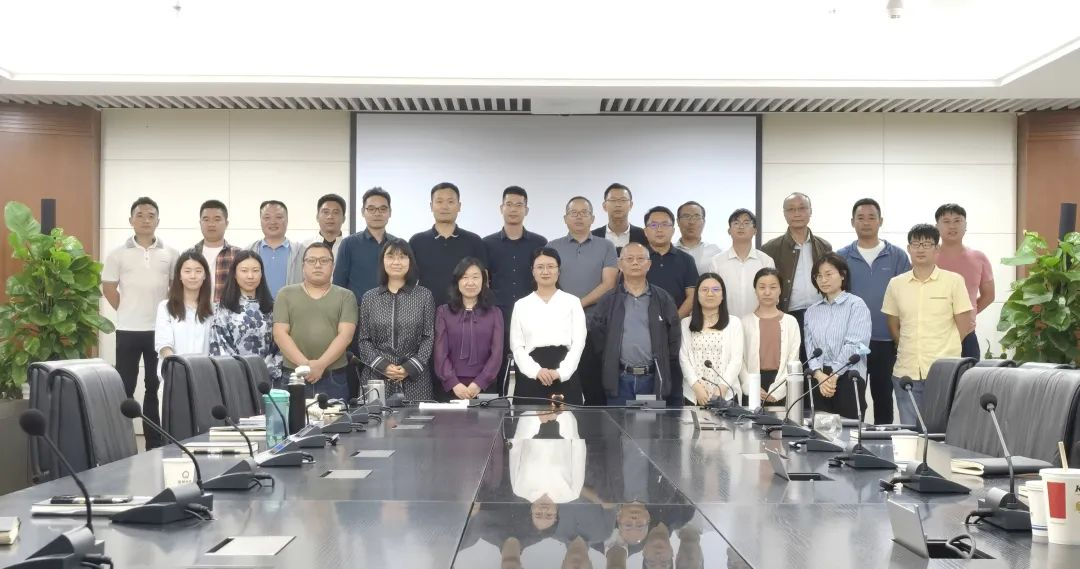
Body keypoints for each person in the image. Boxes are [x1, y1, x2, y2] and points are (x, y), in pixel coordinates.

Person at [102, 196, 178, 450]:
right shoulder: (117, 254)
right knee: (124, 385)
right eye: (140, 215)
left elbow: (174, 288)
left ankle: (154, 444)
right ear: (131, 220)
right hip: (128, 330)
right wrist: (126, 310)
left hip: (159, 331)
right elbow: (109, 288)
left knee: (154, 387)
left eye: (151, 216)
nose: (146, 220)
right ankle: (122, 444)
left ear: (158, 220)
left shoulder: (171, 253)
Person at [883, 224, 973, 426]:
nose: (920, 249)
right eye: (915, 244)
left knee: (941, 431)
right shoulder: (896, 284)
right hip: (906, 371)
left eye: (926, 244)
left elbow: (964, 324)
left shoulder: (953, 281)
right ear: (908, 249)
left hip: (943, 371)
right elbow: (893, 323)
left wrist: (946, 346)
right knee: (910, 433)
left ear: (937, 248)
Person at [836, 198, 911, 424]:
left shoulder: (897, 256)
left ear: (881, 221)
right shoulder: (841, 256)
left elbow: (906, 298)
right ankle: (849, 442)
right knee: (851, 398)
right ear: (852, 222)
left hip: (886, 341)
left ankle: (884, 442)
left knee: (883, 398)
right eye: (860, 218)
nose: (866, 222)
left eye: (872, 217)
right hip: (851, 341)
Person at [587, 243, 681, 406]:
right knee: (617, 422)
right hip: (619, 380)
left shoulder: (662, 298)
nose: (635, 263)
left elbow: (674, 337)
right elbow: (597, 339)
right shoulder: (609, 300)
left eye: (640, 258)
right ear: (620, 265)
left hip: (651, 380)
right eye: (629, 259)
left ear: (649, 264)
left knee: (648, 422)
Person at [548, 196, 617, 405]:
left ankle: (596, 426)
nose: (579, 217)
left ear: (593, 218)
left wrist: (577, 305)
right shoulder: (552, 247)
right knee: (563, 385)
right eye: (573, 213)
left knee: (595, 386)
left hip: (596, 325)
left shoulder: (606, 246)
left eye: (584, 213)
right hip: (560, 325)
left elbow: (609, 284)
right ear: (565, 218)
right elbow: (547, 283)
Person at [272, 243, 358, 400]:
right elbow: (279, 334)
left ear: (333, 266)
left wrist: (321, 364)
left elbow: (346, 335)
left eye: (324, 260)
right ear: (303, 266)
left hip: (333, 377)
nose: (318, 265)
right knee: (294, 416)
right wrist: (305, 365)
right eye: (311, 260)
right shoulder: (285, 294)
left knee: (334, 416)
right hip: (294, 375)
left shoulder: (346, 296)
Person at [483, 186, 548, 394]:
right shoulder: (487, 244)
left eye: (519, 205)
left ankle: (528, 412)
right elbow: (484, 281)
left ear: (526, 210)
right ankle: (496, 412)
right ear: (501, 208)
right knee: (495, 371)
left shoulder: (539, 243)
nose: (513, 209)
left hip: (531, 319)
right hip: (497, 318)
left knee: (530, 373)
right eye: (509, 204)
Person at [334, 187, 397, 399]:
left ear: (390, 212)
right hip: (357, 318)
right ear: (363, 212)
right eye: (371, 208)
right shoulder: (349, 244)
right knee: (356, 372)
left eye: (382, 209)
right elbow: (339, 285)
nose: (377, 213)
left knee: (387, 371)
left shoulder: (397, 245)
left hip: (391, 319)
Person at [356, 239, 436, 401]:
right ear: (382, 261)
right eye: (390, 256)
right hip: (376, 377)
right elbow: (364, 339)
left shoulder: (424, 296)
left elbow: (428, 337)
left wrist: (409, 368)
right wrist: (383, 367)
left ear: (410, 261)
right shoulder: (370, 297)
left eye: (402, 257)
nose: (396, 262)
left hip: (415, 377)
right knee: (374, 417)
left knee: (416, 418)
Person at [509, 248, 587, 404]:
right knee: (528, 419)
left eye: (551, 266)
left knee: (567, 419)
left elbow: (579, 342)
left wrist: (562, 372)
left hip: (565, 372)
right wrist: (536, 371)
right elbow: (516, 346)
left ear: (558, 271)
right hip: (530, 374)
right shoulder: (521, 305)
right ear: (533, 271)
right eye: (540, 267)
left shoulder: (572, 302)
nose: (545, 271)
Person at [761, 193, 831, 361]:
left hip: (821, 314)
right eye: (791, 209)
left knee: (820, 362)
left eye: (802, 208)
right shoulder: (770, 248)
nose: (797, 213)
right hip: (788, 316)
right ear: (784, 214)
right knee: (793, 364)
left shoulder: (824, 246)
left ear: (810, 211)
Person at [803, 253, 872, 420]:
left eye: (828, 274)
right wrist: (819, 375)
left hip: (848, 375)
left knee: (849, 431)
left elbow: (856, 344)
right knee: (818, 430)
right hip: (819, 379)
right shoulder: (812, 311)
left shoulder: (856, 305)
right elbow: (810, 348)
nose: (823, 280)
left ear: (842, 275)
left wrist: (834, 375)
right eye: (818, 276)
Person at [409, 182, 488, 308]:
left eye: (450, 202)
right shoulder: (416, 241)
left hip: (464, 313)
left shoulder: (474, 241)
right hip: (425, 312)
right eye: (439, 201)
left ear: (459, 206)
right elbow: (408, 281)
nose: (445, 206)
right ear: (431, 206)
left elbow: (484, 281)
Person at [434, 257, 504, 399]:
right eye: (465, 277)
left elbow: (497, 353)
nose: (470, 282)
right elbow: (440, 352)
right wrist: (453, 383)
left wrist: (479, 383)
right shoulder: (443, 312)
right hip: (450, 387)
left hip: (485, 387)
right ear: (457, 281)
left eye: (475, 277)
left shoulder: (495, 313)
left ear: (484, 281)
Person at [208, 250, 282, 384]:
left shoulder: (273, 307)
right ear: (234, 274)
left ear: (261, 274)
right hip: (234, 379)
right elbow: (220, 346)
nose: (250, 276)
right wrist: (243, 372)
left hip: (266, 379)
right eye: (244, 271)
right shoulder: (223, 308)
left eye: (255, 270)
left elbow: (279, 345)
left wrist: (264, 370)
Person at [935, 203, 995, 360]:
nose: (952, 226)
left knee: (968, 376)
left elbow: (989, 295)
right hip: (933, 334)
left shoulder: (979, 258)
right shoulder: (928, 256)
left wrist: (966, 315)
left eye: (957, 221)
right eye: (946, 221)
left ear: (965, 225)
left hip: (967, 336)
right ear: (937, 227)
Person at [679, 273, 744, 406]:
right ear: (697, 295)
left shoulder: (734, 323)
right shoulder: (685, 324)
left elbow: (736, 360)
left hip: (726, 394)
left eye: (716, 289)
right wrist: (696, 387)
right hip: (694, 394)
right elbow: (683, 358)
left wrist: (722, 388)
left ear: (723, 295)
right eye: (704, 290)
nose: (710, 294)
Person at [740, 268, 801, 406]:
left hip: (782, 384)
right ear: (755, 290)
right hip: (753, 383)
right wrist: (751, 386)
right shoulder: (744, 322)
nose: (767, 292)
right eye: (762, 287)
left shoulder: (791, 322)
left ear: (780, 290)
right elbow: (740, 360)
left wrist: (777, 391)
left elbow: (793, 358)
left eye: (773, 287)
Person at [154, 250, 213, 376]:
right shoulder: (165, 307)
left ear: (205, 275)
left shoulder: (213, 310)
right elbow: (164, 345)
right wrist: (179, 369)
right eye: (187, 271)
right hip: (175, 375)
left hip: (204, 376)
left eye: (198, 271)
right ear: (179, 275)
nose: (193, 276)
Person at [710, 208, 776, 319]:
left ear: (755, 231)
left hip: (758, 321)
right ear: (729, 231)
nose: (741, 227)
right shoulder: (717, 262)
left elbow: (771, 294)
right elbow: (712, 294)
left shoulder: (766, 261)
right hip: (726, 323)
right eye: (736, 223)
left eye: (746, 223)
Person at [643, 206, 698, 319]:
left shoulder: (686, 260)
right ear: (645, 231)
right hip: (642, 323)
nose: (659, 229)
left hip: (678, 323)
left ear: (673, 230)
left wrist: (674, 321)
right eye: (653, 225)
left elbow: (692, 296)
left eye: (665, 224)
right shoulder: (636, 259)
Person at [248, 200, 303, 298]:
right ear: (260, 221)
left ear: (287, 220)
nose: (273, 222)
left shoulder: (301, 252)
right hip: (257, 306)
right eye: (267, 217)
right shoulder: (249, 251)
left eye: (279, 217)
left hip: (292, 306)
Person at [191, 199, 241, 304]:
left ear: (226, 223)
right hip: (195, 312)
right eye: (206, 219)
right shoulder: (189, 255)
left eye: (217, 219)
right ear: (200, 223)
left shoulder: (238, 255)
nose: (211, 224)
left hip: (227, 312)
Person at [591, 183, 647, 254]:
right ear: (604, 206)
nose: (618, 204)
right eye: (612, 200)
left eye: (623, 200)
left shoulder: (644, 235)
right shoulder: (592, 237)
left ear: (631, 205)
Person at [674, 201, 722, 275]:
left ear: (704, 222)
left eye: (697, 217)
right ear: (678, 221)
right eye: (686, 216)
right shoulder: (668, 251)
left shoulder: (716, 252)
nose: (691, 222)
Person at [302, 193, 347, 259]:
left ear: (343, 219)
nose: (330, 216)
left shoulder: (350, 247)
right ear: (317, 217)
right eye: (326, 212)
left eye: (335, 212)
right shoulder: (305, 246)